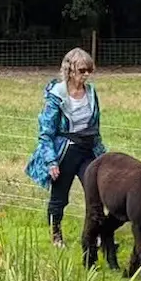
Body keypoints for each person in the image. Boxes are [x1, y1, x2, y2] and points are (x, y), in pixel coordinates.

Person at [25, 47, 103, 247]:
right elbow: (46, 132)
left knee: (95, 194)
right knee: (59, 197)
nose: (86, 75)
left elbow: (96, 126)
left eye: (89, 71)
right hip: (65, 151)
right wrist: (51, 161)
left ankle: (96, 234)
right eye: (82, 70)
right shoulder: (56, 95)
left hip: (87, 149)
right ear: (70, 70)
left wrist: (102, 156)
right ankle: (56, 234)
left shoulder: (91, 93)